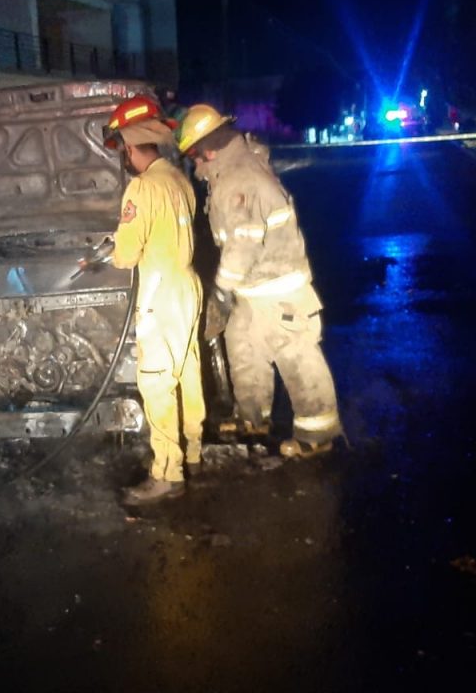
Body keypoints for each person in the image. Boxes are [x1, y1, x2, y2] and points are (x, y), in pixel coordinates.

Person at [177, 104, 342, 459]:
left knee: (296, 359)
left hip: (278, 290)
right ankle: (252, 419)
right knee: (244, 350)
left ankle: (317, 434)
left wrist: (221, 289)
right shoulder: (233, 171)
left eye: (194, 157)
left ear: (208, 149)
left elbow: (243, 243)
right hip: (254, 290)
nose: (195, 167)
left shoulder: (238, 179)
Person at [102, 95, 206, 504]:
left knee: (156, 382)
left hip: (160, 293)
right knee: (188, 372)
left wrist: (116, 249)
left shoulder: (141, 187)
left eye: (124, 149)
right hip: (187, 283)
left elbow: (127, 254)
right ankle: (194, 451)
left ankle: (167, 473)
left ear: (130, 147)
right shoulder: (180, 179)